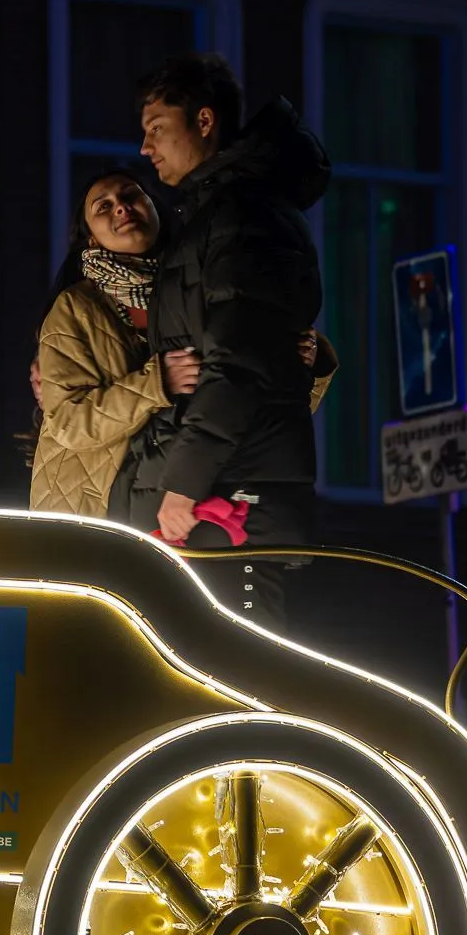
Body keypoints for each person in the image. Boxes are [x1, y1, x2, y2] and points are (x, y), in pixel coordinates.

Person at [121, 53, 337, 627]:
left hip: (230, 503)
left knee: (237, 669)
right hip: (223, 497)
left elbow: (239, 362)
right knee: (215, 666)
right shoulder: (215, 215)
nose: (146, 147)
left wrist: (183, 485)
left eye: (157, 129)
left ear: (205, 121)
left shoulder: (242, 217)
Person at [29, 172, 196, 517]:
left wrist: (304, 367)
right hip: (92, 509)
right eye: (103, 207)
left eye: (131, 195)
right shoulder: (75, 309)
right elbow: (68, 423)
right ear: (91, 239)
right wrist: (156, 384)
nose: (121, 207)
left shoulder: (199, 291)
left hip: (180, 503)